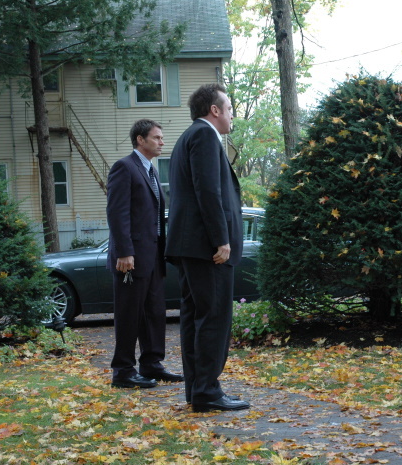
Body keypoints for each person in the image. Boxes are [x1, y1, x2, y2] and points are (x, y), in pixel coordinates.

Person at [165, 84, 250, 412]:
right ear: (214, 110)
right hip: (207, 248)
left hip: (191, 247)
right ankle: (207, 391)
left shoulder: (187, 137)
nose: (231, 115)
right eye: (228, 108)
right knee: (213, 316)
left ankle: (197, 390)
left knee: (195, 317)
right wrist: (221, 239)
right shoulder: (203, 136)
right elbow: (208, 191)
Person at [106, 119, 184, 389]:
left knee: (154, 312)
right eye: (157, 137)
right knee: (129, 313)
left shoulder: (150, 170)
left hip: (153, 258)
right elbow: (117, 214)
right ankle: (123, 371)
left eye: (161, 138)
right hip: (131, 259)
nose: (162, 142)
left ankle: (151, 363)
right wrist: (125, 251)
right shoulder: (124, 168)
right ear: (140, 139)